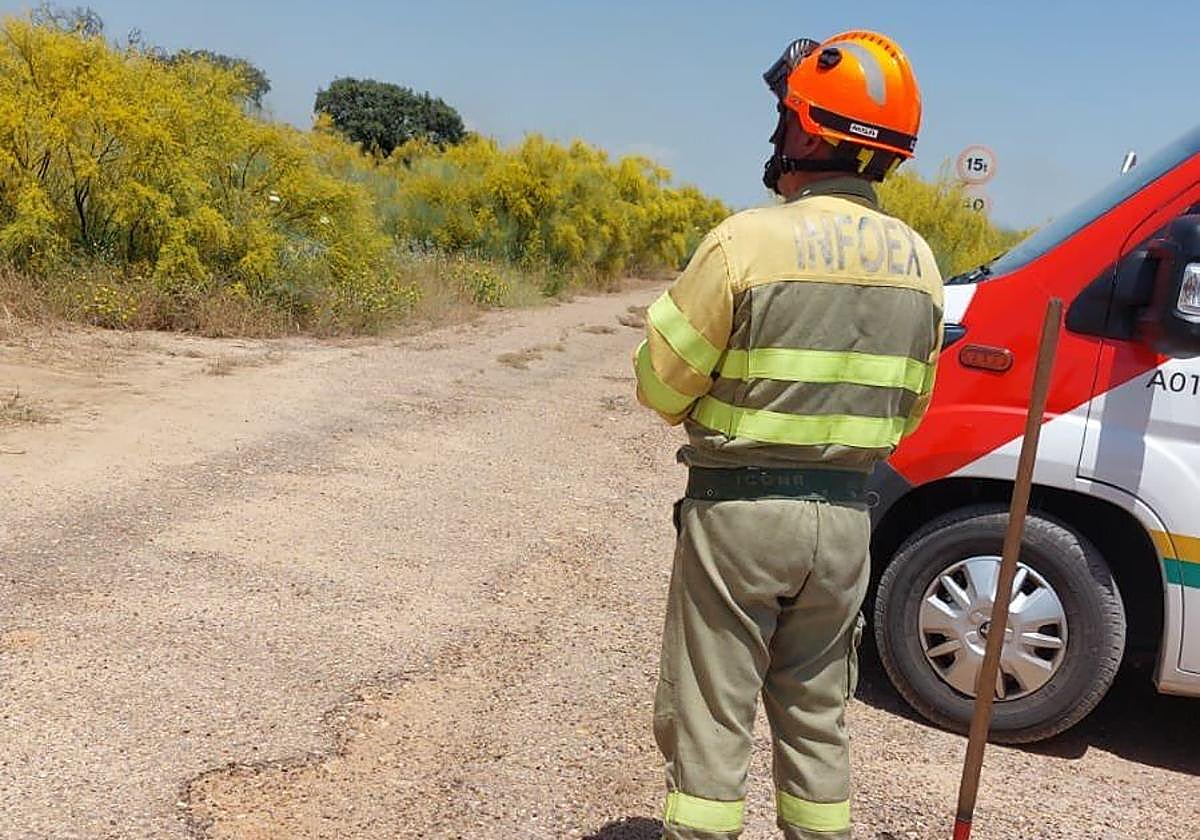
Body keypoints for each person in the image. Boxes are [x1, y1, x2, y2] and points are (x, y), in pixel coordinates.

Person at [632, 31, 944, 840]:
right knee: (815, 715)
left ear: (809, 132)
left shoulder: (747, 241)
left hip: (737, 519)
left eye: (787, 117)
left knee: (710, 716)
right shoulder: (920, 264)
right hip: (844, 525)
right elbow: (909, 414)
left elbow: (660, 385)